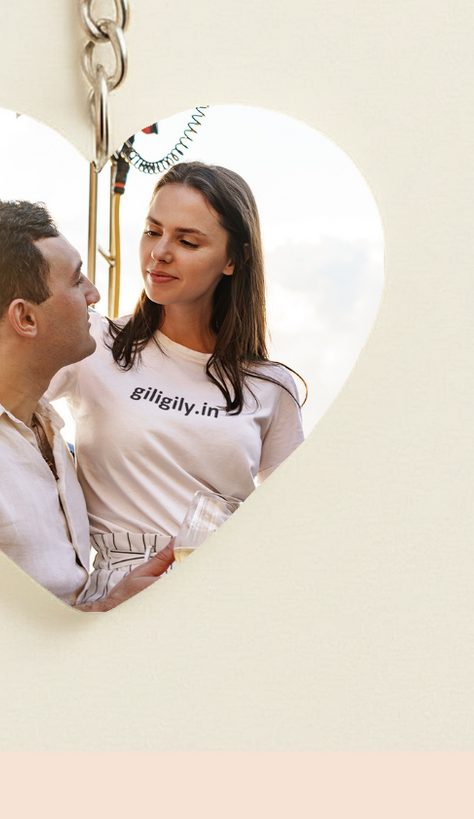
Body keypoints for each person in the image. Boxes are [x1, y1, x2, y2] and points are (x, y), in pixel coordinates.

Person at [47, 161, 305, 602]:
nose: (160, 252)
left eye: (187, 241)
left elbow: (295, 528)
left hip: (228, 596)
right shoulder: (92, 343)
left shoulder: (270, 388)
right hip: (121, 594)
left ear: (233, 259)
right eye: (152, 231)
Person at [0, 200, 173, 613]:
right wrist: (102, 613)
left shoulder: (46, 429)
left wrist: (112, 602)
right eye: (75, 281)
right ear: (25, 319)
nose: (94, 293)